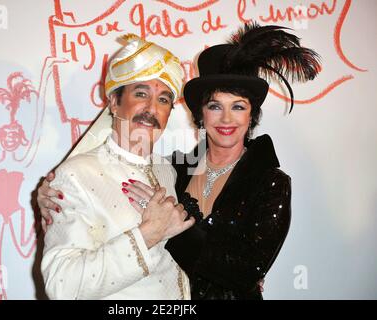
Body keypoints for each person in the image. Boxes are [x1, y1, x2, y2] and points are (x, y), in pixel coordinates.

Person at [39, 23, 321, 299]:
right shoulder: (174, 169)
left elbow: (247, 270)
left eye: (238, 107)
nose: (226, 119)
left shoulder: (270, 182)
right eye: (214, 106)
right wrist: (49, 192)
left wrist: (171, 232)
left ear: (251, 116)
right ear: (201, 114)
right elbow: (63, 283)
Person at [40, 34, 195, 300]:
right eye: (141, 93)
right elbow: (62, 286)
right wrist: (148, 234)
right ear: (113, 102)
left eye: (164, 99)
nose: (151, 109)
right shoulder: (74, 176)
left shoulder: (166, 170)